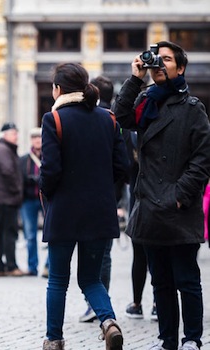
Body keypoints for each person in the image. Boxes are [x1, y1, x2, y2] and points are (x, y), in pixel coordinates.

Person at [112, 41, 210, 350]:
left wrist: (180, 194)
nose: (160, 64)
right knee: (161, 282)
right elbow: (120, 116)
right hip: (150, 207)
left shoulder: (193, 108)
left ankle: (192, 338)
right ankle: (168, 339)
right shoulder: (145, 101)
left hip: (178, 207)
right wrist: (135, 78)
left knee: (187, 280)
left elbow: (203, 158)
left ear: (180, 68)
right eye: (158, 59)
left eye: (167, 60)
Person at [39, 62, 128, 350]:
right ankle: (109, 322)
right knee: (91, 278)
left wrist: (48, 193)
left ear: (58, 89)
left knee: (58, 280)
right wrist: (102, 191)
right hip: (99, 211)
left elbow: (50, 171)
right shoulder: (109, 119)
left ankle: (54, 340)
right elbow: (123, 167)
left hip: (64, 211)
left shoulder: (54, 120)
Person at [78, 75, 118, 323]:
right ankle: (103, 305)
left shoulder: (85, 119)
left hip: (82, 198)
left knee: (80, 261)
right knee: (104, 254)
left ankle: (95, 305)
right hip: (109, 198)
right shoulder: (114, 120)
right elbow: (123, 163)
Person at [0, 122, 25, 277]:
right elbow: (8, 171)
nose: (16, 136)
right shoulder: (4, 150)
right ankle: (11, 266)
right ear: (4, 135)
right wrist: (17, 190)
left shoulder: (2, 149)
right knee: (8, 233)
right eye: (13, 133)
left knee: (0, 233)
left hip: (1, 198)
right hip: (6, 198)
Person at [19, 127, 43, 276]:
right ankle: (32, 266)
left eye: (39, 138)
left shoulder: (49, 156)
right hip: (28, 199)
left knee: (52, 234)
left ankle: (49, 266)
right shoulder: (23, 159)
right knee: (30, 235)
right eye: (34, 138)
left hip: (45, 199)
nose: (37, 140)